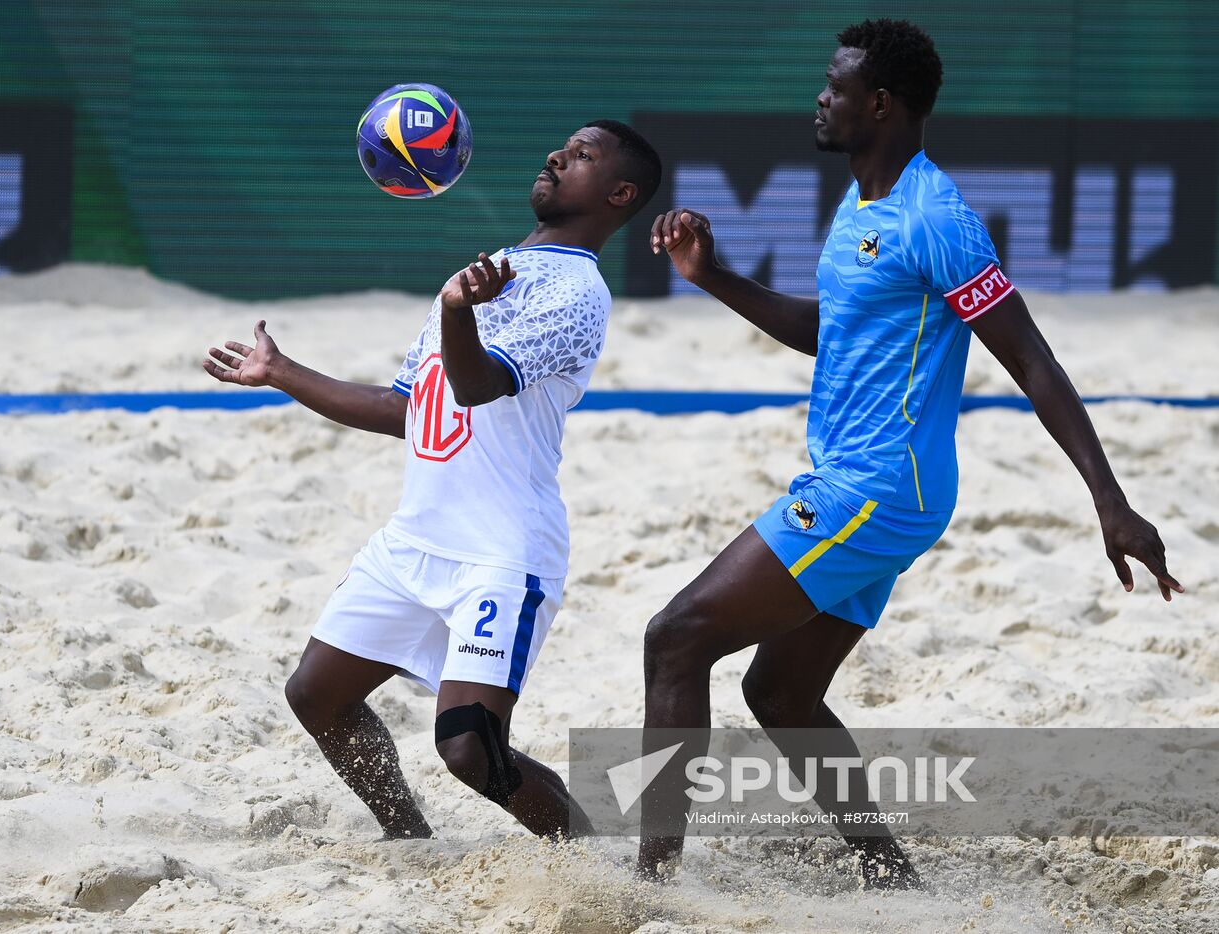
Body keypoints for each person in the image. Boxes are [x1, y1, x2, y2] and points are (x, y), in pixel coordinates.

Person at [639, 19, 1182, 887]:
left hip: (876, 488)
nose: (821, 96)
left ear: (880, 103)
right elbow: (833, 333)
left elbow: (1032, 359)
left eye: (835, 84)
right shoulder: (862, 204)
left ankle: (648, 888)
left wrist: (1108, 499)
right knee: (779, 695)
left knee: (674, 640)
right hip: (870, 486)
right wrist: (712, 277)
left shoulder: (935, 217)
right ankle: (893, 878)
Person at [203, 121, 662, 839]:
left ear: (619, 192)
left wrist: (457, 310)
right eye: (562, 147)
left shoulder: (578, 294)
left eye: (581, 156)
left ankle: (589, 860)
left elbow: (476, 385)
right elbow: (404, 410)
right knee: (317, 695)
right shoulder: (490, 271)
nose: (555, 155)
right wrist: (281, 372)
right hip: (415, 540)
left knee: (469, 750)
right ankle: (406, 835)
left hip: (502, 556)